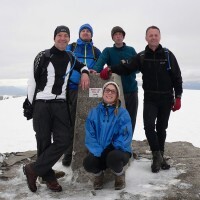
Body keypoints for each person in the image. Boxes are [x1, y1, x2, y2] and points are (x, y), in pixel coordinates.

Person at [100, 26, 183, 173]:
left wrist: (178, 97)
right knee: (149, 126)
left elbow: (177, 77)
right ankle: (157, 155)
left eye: (155, 35)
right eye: (150, 35)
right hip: (150, 98)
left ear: (159, 37)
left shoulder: (168, 55)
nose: (153, 37)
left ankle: (159, 155)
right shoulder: (142, 56)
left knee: (162, 127)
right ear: (146, 38)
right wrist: (111, 69)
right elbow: (127, 68)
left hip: (166, 98)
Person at [22, 25, 90, 193]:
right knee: (43, 140)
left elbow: (82, 66)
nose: (62, 38)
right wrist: (30, 104)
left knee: (65, 139)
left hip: (60, 104)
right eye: (59, 35)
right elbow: (32, 81)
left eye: (66, 36)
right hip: (42, 104)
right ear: (54, 38)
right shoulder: (43, 56)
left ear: (69, 39)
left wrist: (85, 73)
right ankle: (48, 176)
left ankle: (33, 169)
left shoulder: (70, 56)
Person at [62, 23, 101, 166]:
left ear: (91, 35)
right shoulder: (71, 48)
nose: (85, 33)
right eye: (83, 31)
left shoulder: (96, 51)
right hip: (72, 88)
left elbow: (100, 66)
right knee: (70, 121)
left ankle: (91, 151)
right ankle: (68, 153)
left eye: (88, 31)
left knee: (91, 121)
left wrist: (94, 71)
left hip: (91, 90)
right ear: (79, 34)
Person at [83, 81, 132, 190]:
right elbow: (90, 135)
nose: (109, 93)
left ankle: (119, 175)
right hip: (99, 150)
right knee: (88, 163)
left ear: (117, 95)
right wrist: (98, 151)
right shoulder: (94, 112)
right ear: (103, 92)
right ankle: (98, 175)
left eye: (113, 91)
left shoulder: (122, 113)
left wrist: (111, 148)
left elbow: (125, 135)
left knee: (112, 157)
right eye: (107, 90)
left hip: (118, 151)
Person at [94, 26, 138, 135]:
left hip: (131, 90)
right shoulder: (108, 51)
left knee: (130, 119)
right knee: (115, 119)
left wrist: (125, 68)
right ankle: (115, 145)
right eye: (115, 34)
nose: (118, 36)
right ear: (112, 37)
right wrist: (94, 72)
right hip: (115, 93)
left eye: (120, 34)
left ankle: (127, 145)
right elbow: (99, 64)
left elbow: (137, 68)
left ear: (123, 36)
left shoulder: (131, 50)